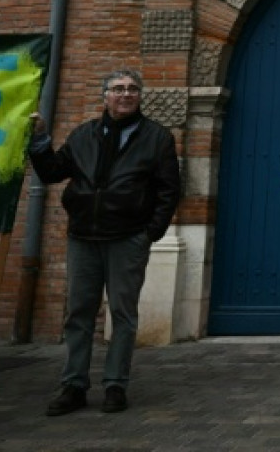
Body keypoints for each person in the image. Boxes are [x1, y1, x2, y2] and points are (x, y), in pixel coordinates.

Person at [28, 69, 182, 415]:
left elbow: (169, 191)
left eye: (132, 89)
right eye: (118, 89)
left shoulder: (157, 138)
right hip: (83, 236)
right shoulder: (84, 135)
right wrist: (39, 140)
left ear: (140, 96)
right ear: (105, 96)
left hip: (127, 238)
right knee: (78, 312)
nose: (126, 94)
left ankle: (115, 384)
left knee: (122, 314)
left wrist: (149, 234)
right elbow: (53, 171)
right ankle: (74, 385)